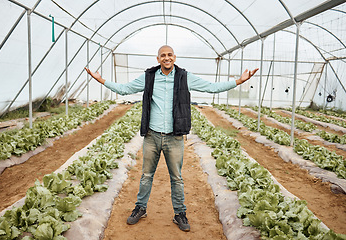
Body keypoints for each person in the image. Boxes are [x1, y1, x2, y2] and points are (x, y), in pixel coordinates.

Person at [85, 45, 258, 232]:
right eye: (163, 55)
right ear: (158, 58)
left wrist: (239, 81)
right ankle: (140, 208)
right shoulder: (149, 77)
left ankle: (179, 213)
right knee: (146, 176)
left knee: (176, 178)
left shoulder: (184, 77)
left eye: (169, 55)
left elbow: (211, 87)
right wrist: (100, 80)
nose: (166, 58)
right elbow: (125, 89)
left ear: (174, 57)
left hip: (174, 137)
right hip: (152, 135)